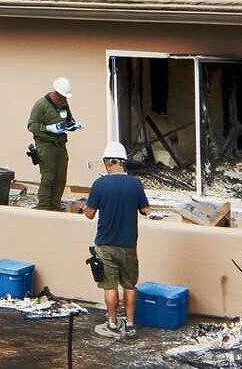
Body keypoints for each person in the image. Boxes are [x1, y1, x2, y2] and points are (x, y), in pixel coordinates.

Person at [84, 141, 152, 339]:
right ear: (123, 162)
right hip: (129, 244)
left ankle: (112, 322)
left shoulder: (99, 184)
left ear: (109, 162)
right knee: (130, 286)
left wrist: (84, 207)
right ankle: (130, 324)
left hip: (106, 244)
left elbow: (89, 214)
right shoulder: (135, 184)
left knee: (110, 286)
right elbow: (147, 210)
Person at [26, 77, 78, 210]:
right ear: (56, 93)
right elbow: (32, 126)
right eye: (62, 97)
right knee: (48, 177)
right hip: (46, 145)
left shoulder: (64, 104)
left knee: (61, 177)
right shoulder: (41, 105)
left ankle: (55, 205)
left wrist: (71, 125)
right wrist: (48, 128)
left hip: (60, 145)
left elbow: (69, 119)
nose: (64, 100)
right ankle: (44, 206)